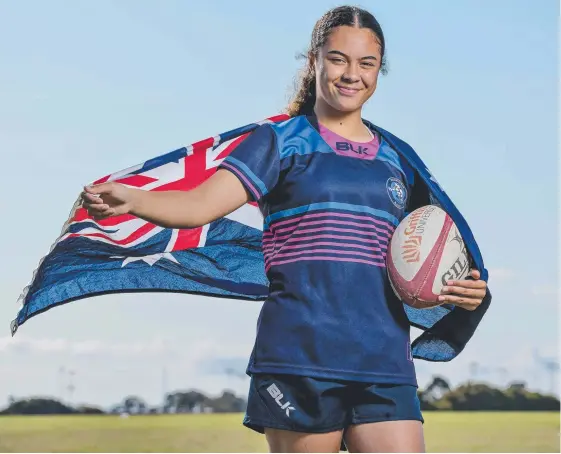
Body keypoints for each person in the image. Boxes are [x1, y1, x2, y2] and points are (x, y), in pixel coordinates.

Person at [81, 6, 488, 453]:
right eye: (338, 59)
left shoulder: (398, 158)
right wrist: (134, 199)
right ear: (314, 61)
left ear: (379, 71)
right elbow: (200, 205)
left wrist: (461, 288)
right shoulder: (278, 141)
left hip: (384, 362)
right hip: (300, 357)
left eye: (366, 63)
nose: (352, 74)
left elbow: (431, 250)